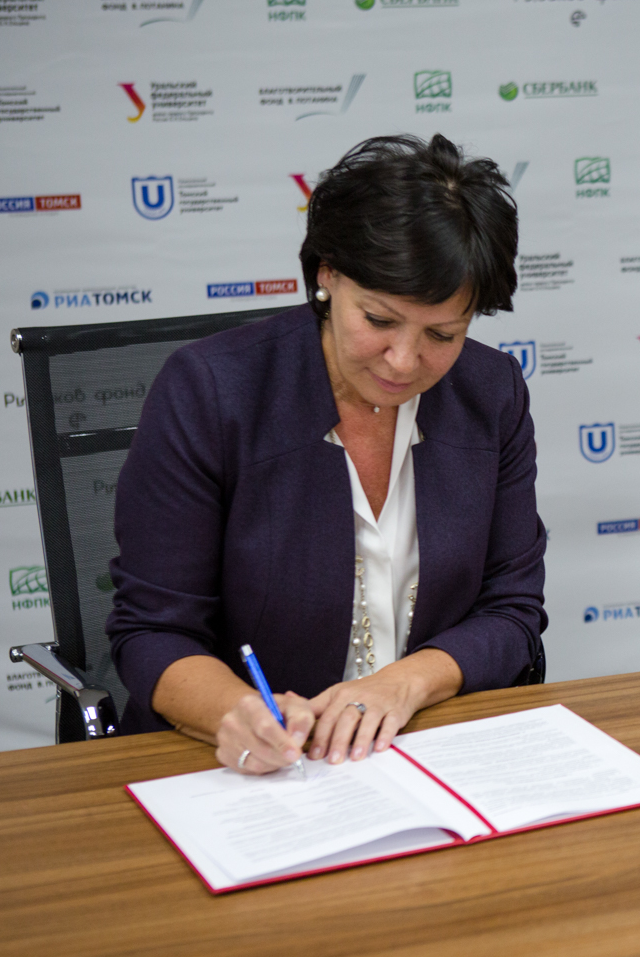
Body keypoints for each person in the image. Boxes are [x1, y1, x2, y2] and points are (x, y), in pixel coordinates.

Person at [107, 134, 548, 772]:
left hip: (429, 750)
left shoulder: (491, 392)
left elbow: (512, 611)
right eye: (379, 320)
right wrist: (236, 712)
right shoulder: (211, 391)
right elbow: (152, 631)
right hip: (248, 769)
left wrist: (404, 684)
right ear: (327, 275)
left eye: (442, 334)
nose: (404, 360)